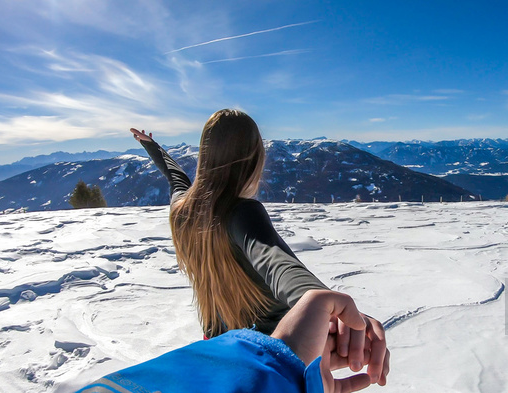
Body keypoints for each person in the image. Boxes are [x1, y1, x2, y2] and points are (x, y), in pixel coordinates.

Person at [129, 109, 387, 381]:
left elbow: (176, 178)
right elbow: (277, 264)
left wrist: (153, 148)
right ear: (254, 159)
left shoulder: (181, 211)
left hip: (217, 349)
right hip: (269, 361)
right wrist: (329, 306)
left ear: (204, 156)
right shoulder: (241, 213)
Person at [75, 289, 389, 393]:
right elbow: (273, 259)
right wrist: (274, 361)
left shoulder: (188, 207)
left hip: (219, 341)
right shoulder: (243, 211)